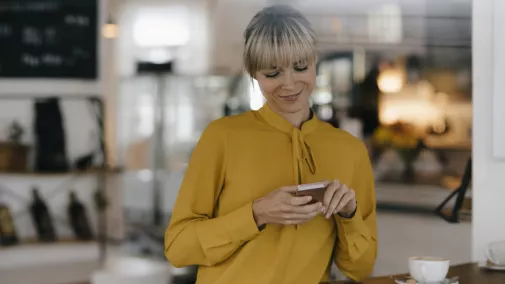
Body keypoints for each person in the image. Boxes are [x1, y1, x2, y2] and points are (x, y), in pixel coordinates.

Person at [164, 5, 377, 284]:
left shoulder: (350, 150)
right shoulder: (222, 137)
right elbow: (178, 247)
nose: (289, 84)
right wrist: (257, 213)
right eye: (272, 73)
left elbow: (360, 269)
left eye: (300, 67)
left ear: (315, 62)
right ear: (254, 74)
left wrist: (349, 215)